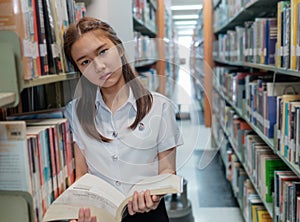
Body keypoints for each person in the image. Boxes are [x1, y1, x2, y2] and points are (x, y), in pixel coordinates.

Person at [63, 16, 183, 222]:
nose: (99, 66)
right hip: (101, 217)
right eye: (85, 62)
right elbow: (81, 174)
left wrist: (154, 196)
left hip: (149, 215)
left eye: (103, 51)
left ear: (118, 48)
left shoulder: (159, 106)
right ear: (80, 70)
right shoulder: (74, 112)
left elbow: (167, 169)